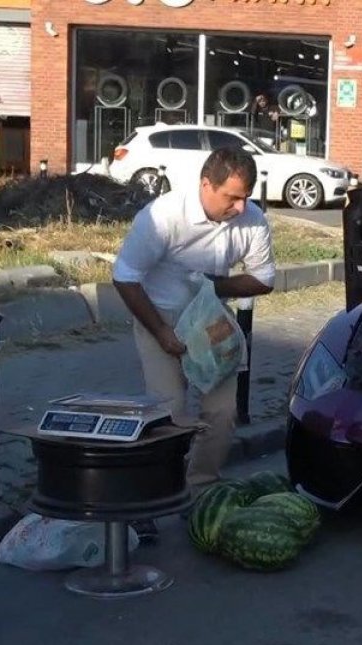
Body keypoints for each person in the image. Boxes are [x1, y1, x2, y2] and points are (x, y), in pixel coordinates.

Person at [112, 147, 275, 541]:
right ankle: (146, 501)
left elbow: (264, 278)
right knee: (168, 414)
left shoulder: (251, 219)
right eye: (231, 197)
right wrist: (162, 332)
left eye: (246, 197)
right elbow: (124, 276)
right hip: (160, 316)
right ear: (206, 184)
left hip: (209, 321)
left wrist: (214, 286)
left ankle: (198, 492)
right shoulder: (163, 216)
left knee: (221, 414)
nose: (240, 207)